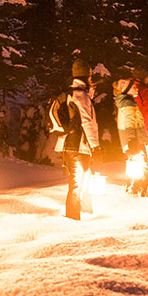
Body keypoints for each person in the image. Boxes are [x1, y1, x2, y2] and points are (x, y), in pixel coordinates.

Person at [53, 58, 100, 220]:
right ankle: (73, 219)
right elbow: (87, 122)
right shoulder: (80, 95)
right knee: (77, 184)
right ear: (86, 76)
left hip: (70, 145)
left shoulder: (72, 93)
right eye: (90, 76)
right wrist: (95, 145)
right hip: (78, 146)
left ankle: (82, 214)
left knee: (81, 181)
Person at [114, 70, 148, 196]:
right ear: (127, 89)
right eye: (134, 87)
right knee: (145, 168)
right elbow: (129, 123)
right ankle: (140, 191)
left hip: (134, 140)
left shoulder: (128, 101)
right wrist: (131, 141)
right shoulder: (127, 103)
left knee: (139, 166)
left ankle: (136, 189)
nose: (137, 89)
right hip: (134, 141)